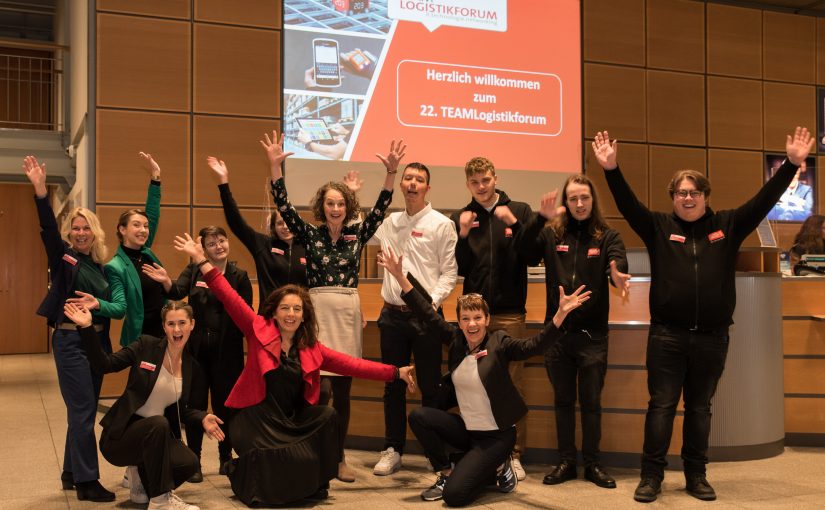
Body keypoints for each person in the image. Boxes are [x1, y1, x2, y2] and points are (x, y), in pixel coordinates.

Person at [592, 127, 814, 503]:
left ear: (706, 197)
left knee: (700, 409)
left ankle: (696, 475)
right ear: (673, 198)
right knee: (661, 407)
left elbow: (762, 202)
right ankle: (651, 476)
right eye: (681, 193)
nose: (688, 198)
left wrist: (791, 165)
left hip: (712, 337)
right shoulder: (659, 227)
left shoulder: (727, 225)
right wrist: (611, 170)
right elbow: (629, 206)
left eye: (695, 192)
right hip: (667, 336)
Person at [173, 233, 416, 506]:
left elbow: (354, 365)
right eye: (285, 308)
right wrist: (201, 260)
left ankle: (318, 478)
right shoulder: (257, 330)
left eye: (296, 309)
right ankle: (241, 471)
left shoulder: (312, 348)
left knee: (327, 415)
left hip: (288, 420)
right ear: (274, 312)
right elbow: (228, 295)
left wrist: (395, 372)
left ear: (304, 315)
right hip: (254, 419)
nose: (291, 314)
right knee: (278, 461)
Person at [377, 246, 590, 507]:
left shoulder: (500, 343)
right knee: (420, 416)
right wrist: (400, 277)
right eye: (465, 319)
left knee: (454, 498)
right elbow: (426, 313)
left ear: (487, 319)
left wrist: (560, 316)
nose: (472, 324)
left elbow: (533, 346)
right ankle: (446, 472)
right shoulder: (456, 341)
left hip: (496, 437)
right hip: (468, 431)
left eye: (477, 317)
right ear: (459, 321)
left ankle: (498, 467)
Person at [265, 130, 402, 481]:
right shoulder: (309, 233)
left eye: (341, 203)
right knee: (319, 388)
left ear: (347, 207)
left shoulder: (359, 233)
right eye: (330, 203)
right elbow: (283, 207)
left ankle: (339, 458)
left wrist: (390, 173)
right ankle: (314, 453)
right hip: (318, 312)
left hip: (347, 311)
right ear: (321, 207)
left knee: (342, 390)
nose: (336, 208)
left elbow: (382, 207)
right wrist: (274, 168)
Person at [517, 177, 630, 489]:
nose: (580, 204)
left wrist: (617, 271)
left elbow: (617, 259)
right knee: (563, 401)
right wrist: (540, 217)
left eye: (585, 198)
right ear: (565, 203)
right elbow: (524, 253)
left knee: (591, 402)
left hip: (593, 337)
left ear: (593, 200)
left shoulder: (607, 235)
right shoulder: (552, 234)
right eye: (573, 199)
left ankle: (593, 464)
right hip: (557, 336)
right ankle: (566, 461)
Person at [23, 156, 120, 502]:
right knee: (82, 413)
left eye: (85, 228)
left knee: (84, 411)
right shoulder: (64, 258)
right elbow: (48, 229)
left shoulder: (102, 265)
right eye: (75, 228)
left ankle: (69, 472)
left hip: (96, 344)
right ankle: (87, 482)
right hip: (69, 342)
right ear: (70, 233)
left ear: (95, 232)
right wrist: (39, 189)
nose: (80, 233)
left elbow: (109, 310)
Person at [64, 300, 223, 510]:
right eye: (171, 324)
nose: (177, 329)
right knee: (157, 423)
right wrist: (86, 328)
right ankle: (160, 500)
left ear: (192, 324)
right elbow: (104, 365)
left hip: (155, 438)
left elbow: (182, 411)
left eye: (182, 323)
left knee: (189, 462)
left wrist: (202, 417)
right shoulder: (145, 346)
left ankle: (141, 476)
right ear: (164, 326)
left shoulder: (192, 367)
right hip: (120, 438)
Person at [143, 226, 253, 479]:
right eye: (212, 243)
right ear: (203, 248)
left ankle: (227, 457)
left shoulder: (239, 274)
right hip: (197, 352)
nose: (218, 247)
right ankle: (194, 461)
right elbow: (178, 291)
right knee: (195, 406)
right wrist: (166, 281)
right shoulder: (193, 270)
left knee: (226, 407)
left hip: (228, 352)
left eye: (222, 241)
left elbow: (245, 312)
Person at [371, 161, 458, 476]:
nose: (412, 183)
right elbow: (359, 227)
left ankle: (435, 454)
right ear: (401, 184)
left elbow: (449, 274)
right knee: (392, 385)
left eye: (419, 180)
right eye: (407, 178)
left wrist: (429, 305)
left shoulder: (441, 224)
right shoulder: (389, 222)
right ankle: (393, 449)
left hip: (427, 319)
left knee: (431, 388)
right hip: (391, 316)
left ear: (427, 188)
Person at [450, 156, 534, 480]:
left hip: (510, 313)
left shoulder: (519, 210)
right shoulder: (463, 216)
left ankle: (513, 454)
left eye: (485, 180)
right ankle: (480, 451)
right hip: (474, 319)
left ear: (495, 178)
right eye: (475, 182)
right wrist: (460, 235)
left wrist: (514, 222)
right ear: (468, 184)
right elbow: (459, 267)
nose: (481, 187)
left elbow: (532, 254)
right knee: (473, 386)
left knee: (512, 384)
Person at [207, 156, 365, 303]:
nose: (286, 227)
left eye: (288, 223)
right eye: (280, 223)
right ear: (273, 226)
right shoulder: (263, 245)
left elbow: (344, 237)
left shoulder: (311, 244)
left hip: (301, 318)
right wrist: (223, 185)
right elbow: (236, 223)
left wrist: (350, 195)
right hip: (271, 318)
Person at [69, 152, 165, 345]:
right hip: (142, 337)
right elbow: (119, 308)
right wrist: (98, 303)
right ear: (122, 229)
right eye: (136, 225)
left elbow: (152, 215)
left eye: (145, 226)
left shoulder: (145, 251)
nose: (143, 230)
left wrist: (156, 178)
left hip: (166, 332)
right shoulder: (116, 267)